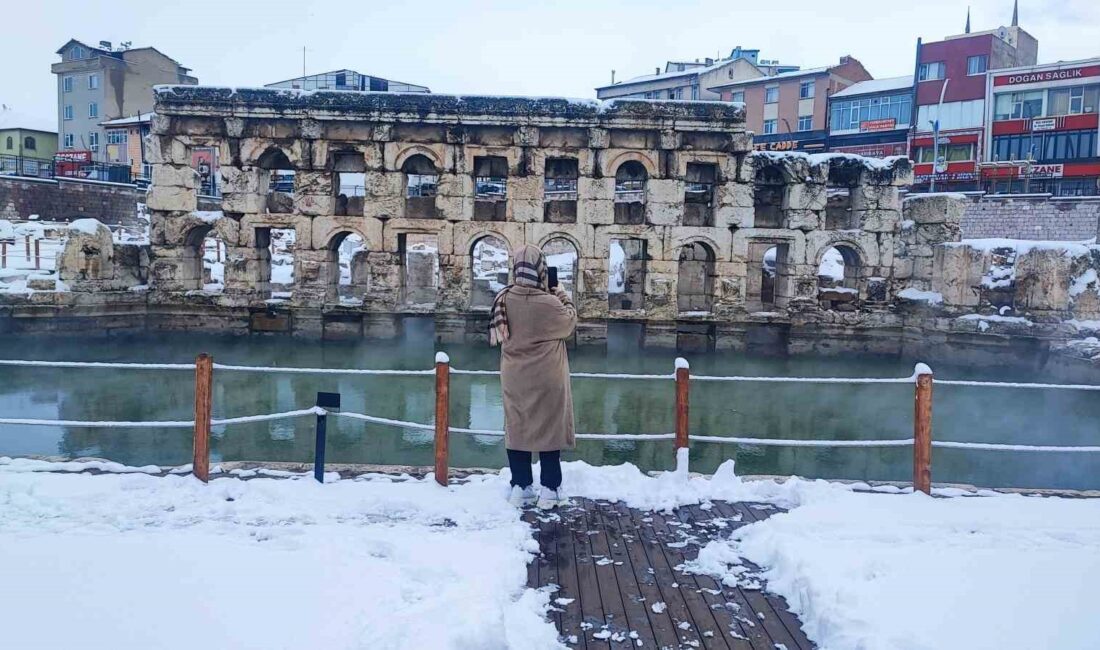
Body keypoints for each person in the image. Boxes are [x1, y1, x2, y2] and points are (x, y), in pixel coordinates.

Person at [490, 244, 576, 509]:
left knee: (517, 428)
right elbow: (570, 323)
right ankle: (550, 490)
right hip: (547, 377)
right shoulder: (550, 303)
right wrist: (562, 294)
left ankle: (521, 487)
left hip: (515, 376)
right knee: (549, 429)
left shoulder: (503, 299)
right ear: (540, 269)